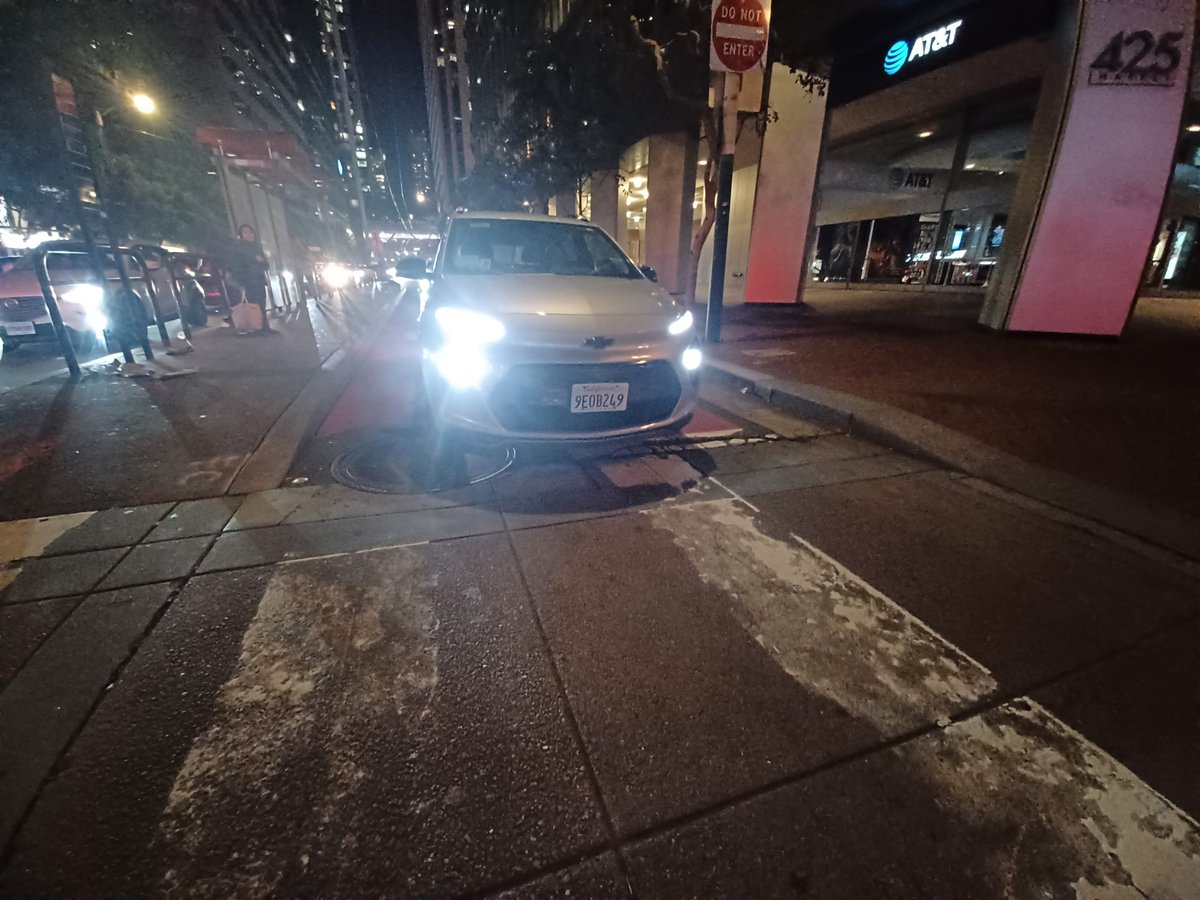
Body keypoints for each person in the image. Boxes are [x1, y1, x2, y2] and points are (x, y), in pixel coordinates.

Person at [226, 224, 275, 334]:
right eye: (245, 232)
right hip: (248, 280)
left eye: (250, 232)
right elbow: (236, 266)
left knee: (261, 304)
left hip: (259, 279)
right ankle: (257, 327)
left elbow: (266, 265)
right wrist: (242, 281)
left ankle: (265, 327)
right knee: (254, 305)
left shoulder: (257, 247)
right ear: (241, 235)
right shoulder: (238, 248)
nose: (249, 234)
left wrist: (261, 261)